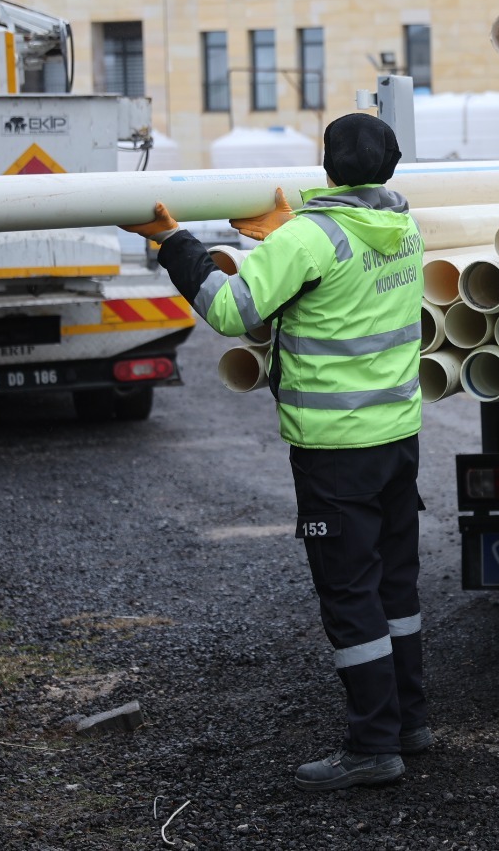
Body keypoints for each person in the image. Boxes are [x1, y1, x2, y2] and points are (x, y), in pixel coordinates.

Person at [119, 113, 431, 792]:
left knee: (350, 597)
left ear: (327, 167)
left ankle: (373, 747)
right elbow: (340, 261)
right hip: (396, 438)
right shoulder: (403, 225)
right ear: (391, 167)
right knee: (395, 587)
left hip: (335, 450)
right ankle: (409, 722)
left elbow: (232, 311)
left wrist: (173, 242)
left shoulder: (311, 238)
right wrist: (287, 236)